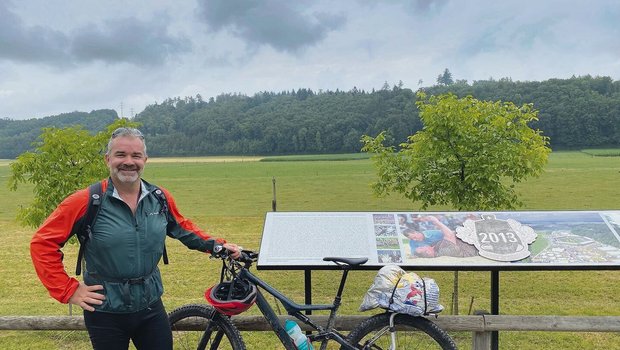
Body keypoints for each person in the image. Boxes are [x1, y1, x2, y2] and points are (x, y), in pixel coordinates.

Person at [30, 127, 241, 350]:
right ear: (107, 159)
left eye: (136, 155)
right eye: (121, 154)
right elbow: (42, 243)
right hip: (105, 312)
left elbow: (184, 229)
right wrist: (68, 290)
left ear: (145, 160)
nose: (128, 161)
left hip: (150, 306)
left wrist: (218, 246)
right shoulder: (86, 201)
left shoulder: (159, 198)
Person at [404, 215, 477, 258]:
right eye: (421, 247)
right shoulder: (443, 251)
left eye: (414, 237)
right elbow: (450, 235)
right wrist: (436, 222)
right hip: (471, 244)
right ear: (428, 252)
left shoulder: (433, 239)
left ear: (416, 232)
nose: (415, 240)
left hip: (463, 238)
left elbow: (449, 234)